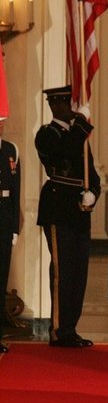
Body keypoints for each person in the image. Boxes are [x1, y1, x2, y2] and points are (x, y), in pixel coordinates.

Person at [35, 86, 100, 347]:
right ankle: (59, 329)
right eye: (70, 103)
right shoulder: (46, 134)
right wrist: (82, 123)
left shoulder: (78, 134)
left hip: (79, 211)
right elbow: (67, 152)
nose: (74, 107)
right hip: (58, 207)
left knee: (78, 272)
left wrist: (94, 193)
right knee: (63, 272)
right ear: (56, 105)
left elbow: (91, 172)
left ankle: (70, 328)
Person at [0, 117, 20, 353]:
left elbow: (15, 191)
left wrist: (14, 226)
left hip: (4, 219)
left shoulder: (11, 150)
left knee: (1, 277)